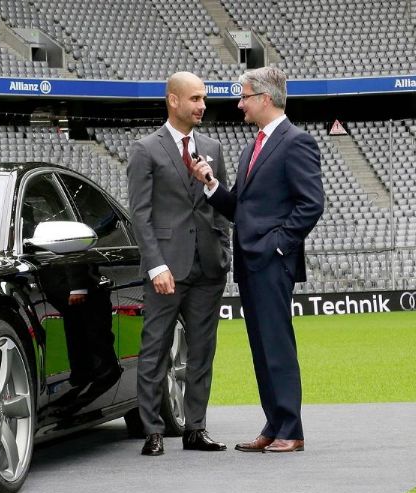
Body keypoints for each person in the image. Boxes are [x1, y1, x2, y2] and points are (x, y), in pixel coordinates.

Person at [192, 66, 324, 454]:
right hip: (251, 262)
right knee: (262, 346)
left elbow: (311, 203)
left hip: (271, 261)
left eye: (245, 96)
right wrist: (212, 185)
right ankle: (274, 423)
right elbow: (242, 209)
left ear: (265, 99)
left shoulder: (296, 141)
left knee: (276, 345)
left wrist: (278, 245)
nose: (239, 104)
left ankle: (291, 430)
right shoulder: (254, 146)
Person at [127, 71, 231, 457]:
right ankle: (153, 430)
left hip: (208, 268)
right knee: (155, 350)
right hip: (166, 271)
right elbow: (140, 214)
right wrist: (156, 266)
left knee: (202, 351)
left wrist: (223, 251)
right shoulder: (145, 149)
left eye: (203, 99)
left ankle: (196, 428)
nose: (202, 105)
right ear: (173, 101)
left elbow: (221, 205)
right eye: (195, 99)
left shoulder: (213, 148)